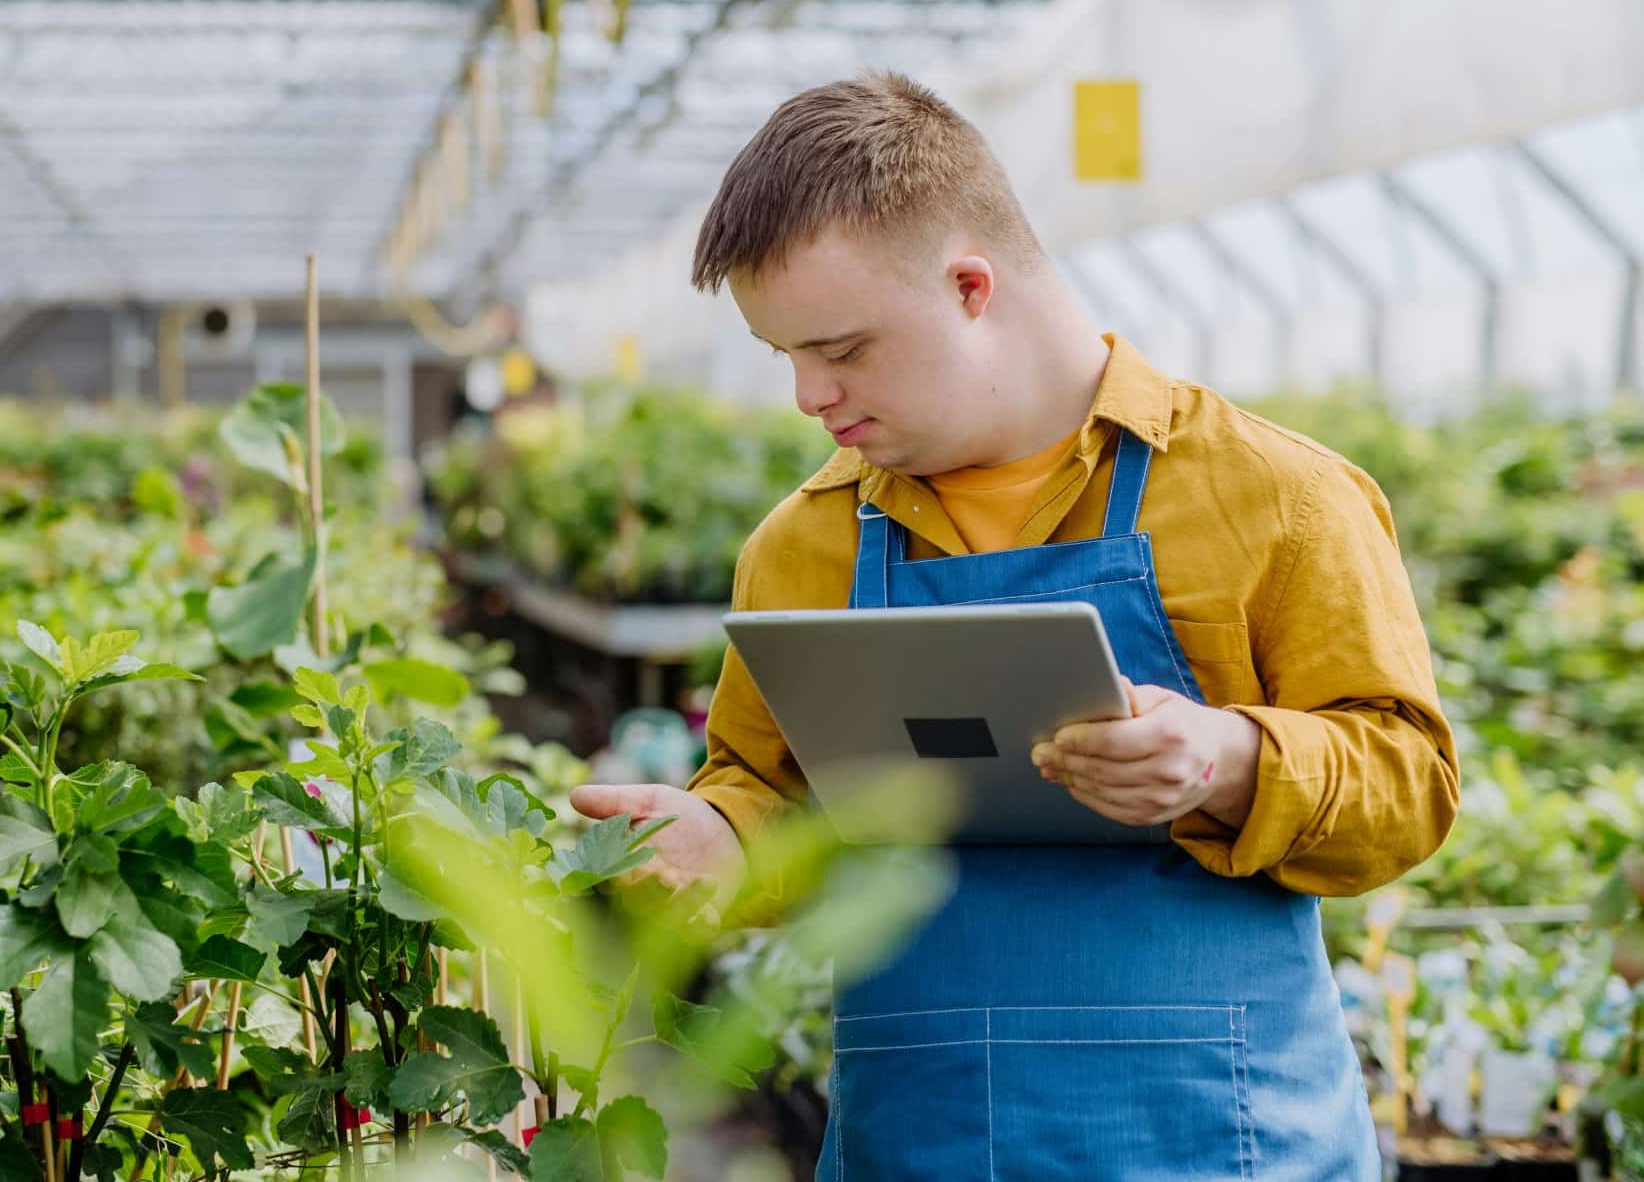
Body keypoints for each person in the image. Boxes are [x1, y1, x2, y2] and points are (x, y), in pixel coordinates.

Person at [569, 71, 1458, 1179]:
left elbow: (1408, 783)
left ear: (970, 286)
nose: (807, 394)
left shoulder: (1276, 499)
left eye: (841, 349)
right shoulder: (803, 546)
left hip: (1223, 1141)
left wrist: (1227, 758)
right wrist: (725, 837)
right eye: (784, 354)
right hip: (920, 1141)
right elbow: (774, 789)